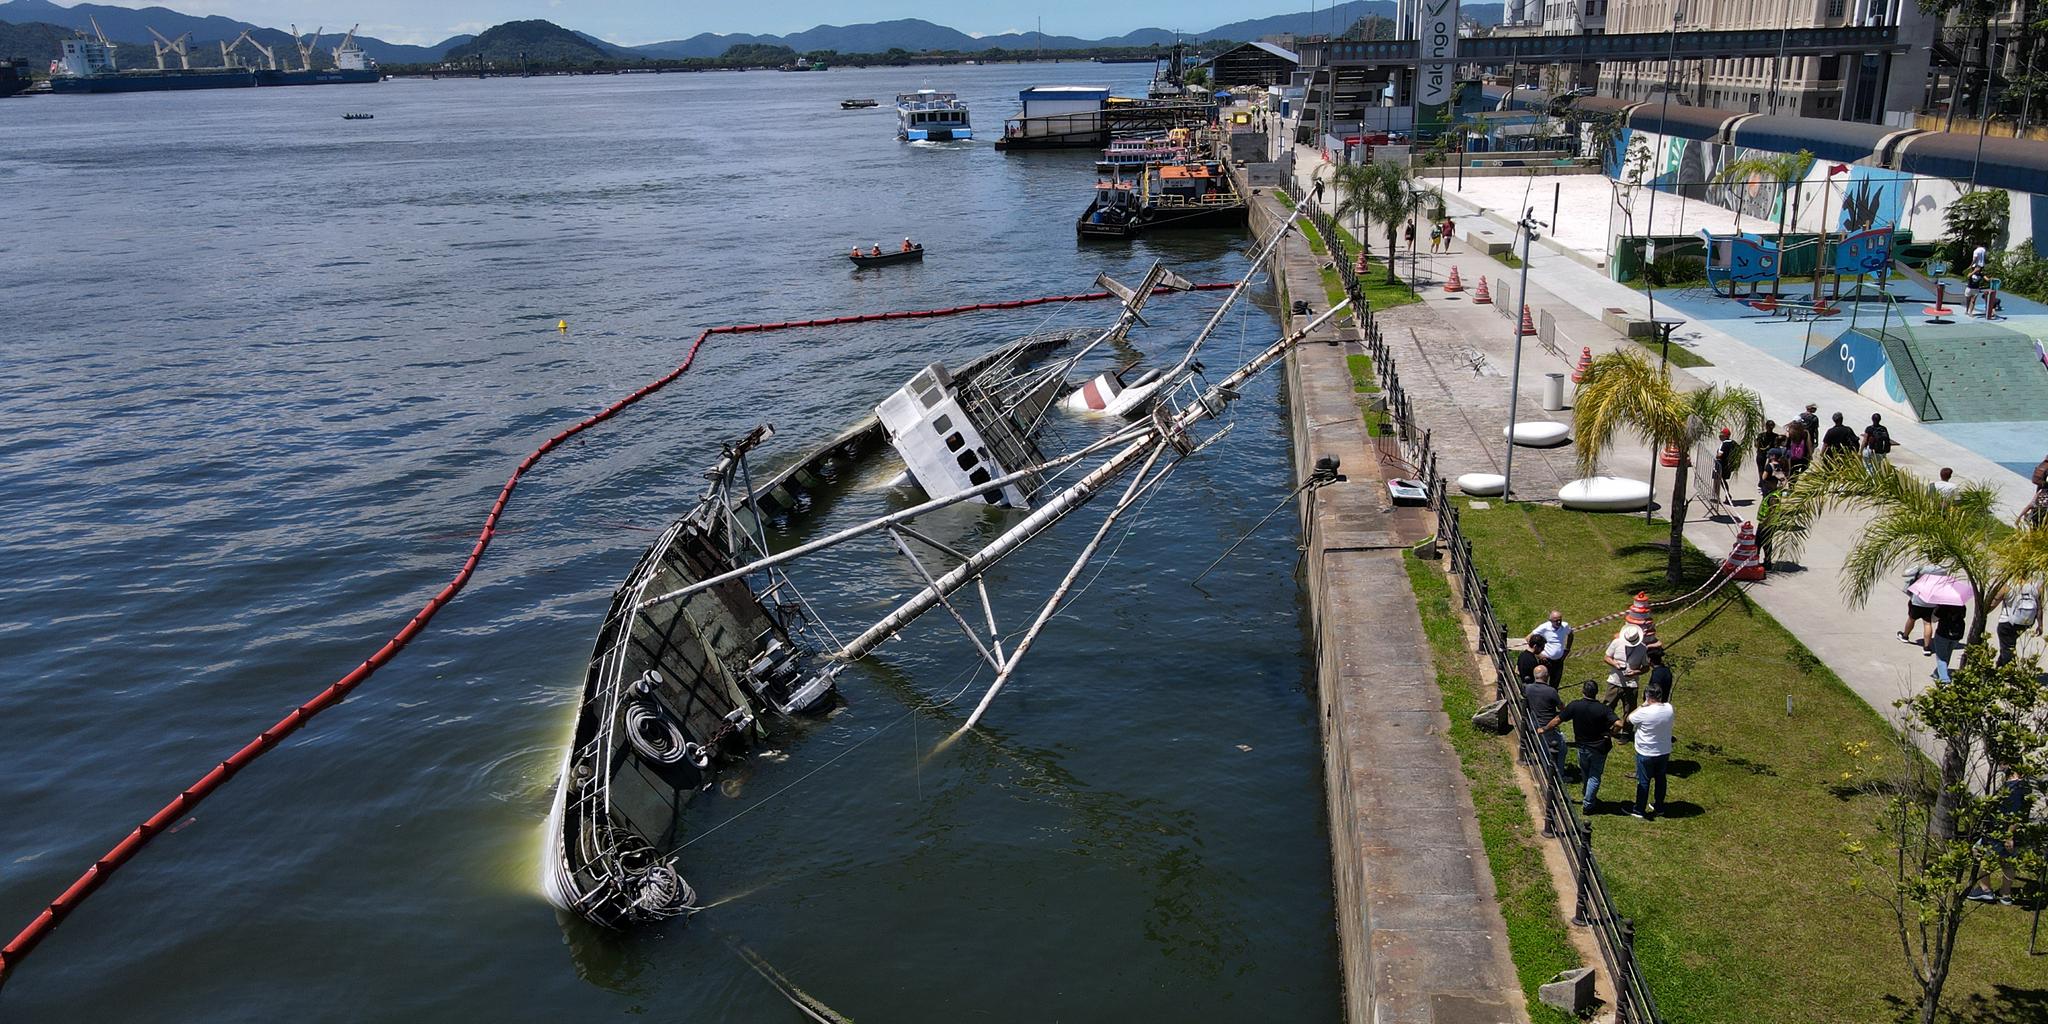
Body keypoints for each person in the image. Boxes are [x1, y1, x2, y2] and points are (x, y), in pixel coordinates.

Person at [1965, 770, 2035, 905]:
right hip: (2009, 833)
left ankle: (1986, 890)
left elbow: (2016, 815)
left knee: (1980, 853)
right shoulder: (2024, 786)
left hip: (2000, 832)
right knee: (2007, 861)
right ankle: (2005, 894)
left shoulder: (2013, 788)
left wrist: (2009, 835)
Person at [1554, 680, 1621, 815]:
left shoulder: (1575, 706)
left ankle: (1587, 793)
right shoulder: (1603, 709)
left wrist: (1544, 729)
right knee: (1594, 775)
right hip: (1599, 748)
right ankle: (1588, 804)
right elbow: (1619, 723)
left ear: (1583, 691)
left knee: (1585, 772)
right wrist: (1612, 732)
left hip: (1583, 747)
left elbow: (1558, 719)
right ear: (1596, 693)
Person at [1627, 685, 1675, 820]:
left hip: (1646, 752)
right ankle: (1659, 806)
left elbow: (1629, 718)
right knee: (1660, 779)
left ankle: (1639, 809)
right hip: (1663, 751)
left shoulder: (1644, 712)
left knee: (1644, 781)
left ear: (1647, 696)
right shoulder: (1669, 708)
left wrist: (1643, 705)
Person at [1526, 665, 1567, 778]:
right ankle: (1557, 776)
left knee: (1544, 748)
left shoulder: (1528, 688)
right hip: (1547, 726)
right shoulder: (1551, 691)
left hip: (1534, 722)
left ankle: (1549, 772)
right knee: (1561, 748)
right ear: (1546, 676)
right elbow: (1562, 708)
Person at [1602, 624, 1651, 715]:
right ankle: (1606, 728)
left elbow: (1646, 667)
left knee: (1630, 712)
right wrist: (1615, 664)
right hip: (1615, 681)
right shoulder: (1616, 642)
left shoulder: (1642, 648)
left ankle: (1627, 729)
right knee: (1607, 707)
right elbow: (1606, 657)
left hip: (1631, 684)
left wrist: (1635, 672)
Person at [1996, 579, 2041, 667]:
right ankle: (1999, 666)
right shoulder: (2035, 585)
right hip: (2025, 623)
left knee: (2007, 647)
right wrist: (2040, 625)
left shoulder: (2008, 584)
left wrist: (1983, 614)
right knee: (2009, 644)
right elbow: (2039, 607)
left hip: (2007, 622)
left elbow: (1994, 602)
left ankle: (2009, 673)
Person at [1900, 564, 1940, 651]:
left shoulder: (1923, 568)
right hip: (1931, 600)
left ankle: (1905, 636)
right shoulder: (1943, 570)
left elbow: (1906, 573)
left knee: (1911, 618)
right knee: (1927, 623)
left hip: (1918, 598)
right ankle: (1926, 647)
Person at [1531, 610, 1574, 681]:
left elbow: (1570, 635)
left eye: (1560, 620)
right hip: (1546, 661)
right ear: (1550, 621)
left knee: (1555, 683)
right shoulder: (1544, 627)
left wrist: (1567, 649)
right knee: (1542, 681)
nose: (1559, 622)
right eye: (1556, 621)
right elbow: (1528, 638)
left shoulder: (1565, 626)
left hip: (1559, 661)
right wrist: (1538, 654)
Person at [1931, 602, 1966, 682]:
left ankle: (1945, 680)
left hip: (1943, 634)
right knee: (1947, 654)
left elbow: (1933, 619)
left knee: (1941, 658)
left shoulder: (1942, 606)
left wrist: (1935, 609)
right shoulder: (1962, 606)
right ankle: (1937, 672)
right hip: (1956, 635)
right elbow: (1963, 616)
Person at [1712, 427, 1738, 503]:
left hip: (1720, 464)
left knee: (1717, 480)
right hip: (1727, 465)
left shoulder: (1724, 444)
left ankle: (1716, 497)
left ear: (1725, 436)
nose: (1720, 436)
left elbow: (1719, 455)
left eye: (1721, 434)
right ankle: (1727, 495)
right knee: (1723, 480)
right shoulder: (1733, 443)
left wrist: (1717, 456)